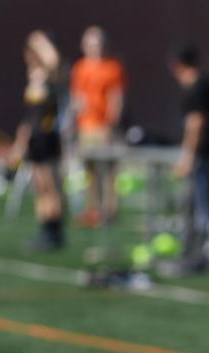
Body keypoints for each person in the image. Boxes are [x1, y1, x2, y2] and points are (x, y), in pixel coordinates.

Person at [9, 31, 64, 251]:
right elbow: (29, 116)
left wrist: (38, 40)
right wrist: (19, 143)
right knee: (39, 187)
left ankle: (54, 231)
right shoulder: (32, 76)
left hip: (47, 137)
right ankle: (44, 229)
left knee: (51, 186)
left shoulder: (49, 75)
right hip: (34, 138)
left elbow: (53, 60)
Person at [169, 46, 209, 270]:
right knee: (200, 205)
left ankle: (197, 254)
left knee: (197, 206)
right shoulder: (208, 84)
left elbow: (196, 122)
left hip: (201, 156)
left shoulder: (197, 87)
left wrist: (187, 156)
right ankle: (198, 251)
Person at [71, 26, 126, 227]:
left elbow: (115, 98)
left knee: (108, 172)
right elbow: (78, 97)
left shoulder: (113, 67)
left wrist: (111, 124)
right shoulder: (80, 68)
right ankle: (93, 209)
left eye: (99, 44)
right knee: (90, 172)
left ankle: (110, 210)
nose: (96, 48)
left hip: (103, 126)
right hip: (86, 126)